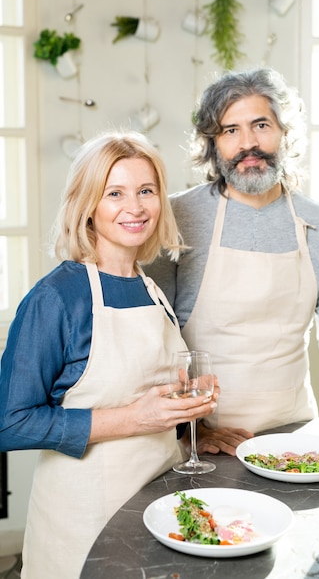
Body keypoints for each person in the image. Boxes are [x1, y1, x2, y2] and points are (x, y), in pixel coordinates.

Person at [146, 67, 319, 468]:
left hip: (294, 439)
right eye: (230, 130)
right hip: (202, 444)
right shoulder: (176, 217)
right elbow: (156, 339)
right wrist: (192, 429)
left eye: (261, 125)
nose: (248, 143)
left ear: (285, 133)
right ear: (213, 143)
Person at [0, 131, 218, 579]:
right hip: (83, 520)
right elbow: (9, 421)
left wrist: (185, 406)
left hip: (160, 502)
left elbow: (146, 390)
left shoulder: (150, 287)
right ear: (87, 205)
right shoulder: (56, 298)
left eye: (146, 190)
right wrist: (134, 419)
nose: (134, 207)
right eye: (114, 193)